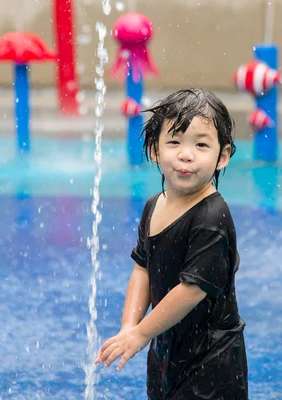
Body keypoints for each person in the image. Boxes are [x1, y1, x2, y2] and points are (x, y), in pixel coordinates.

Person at [95, 89, 248, 399]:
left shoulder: (211, 217)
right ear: (154, 149)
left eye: (201, 144)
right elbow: (142, 269)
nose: (186, 154)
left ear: (223, 156)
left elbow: (192, 289)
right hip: (166, 347)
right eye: (174, 142)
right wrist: (129, 326)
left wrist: (140, 333)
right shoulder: (154, 206)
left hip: (213, 358)